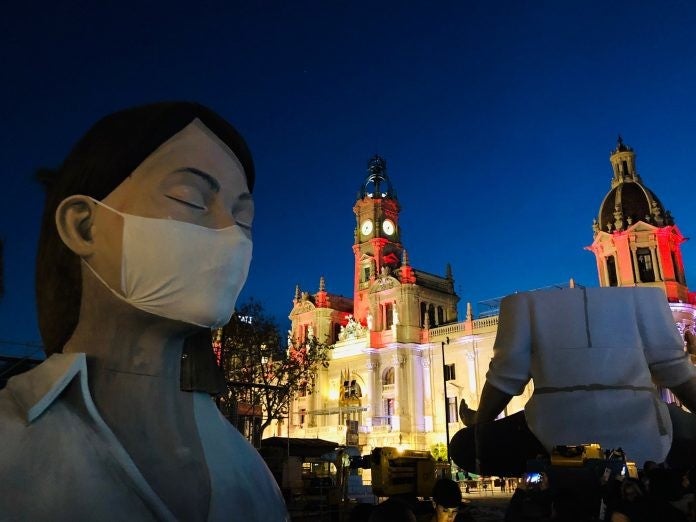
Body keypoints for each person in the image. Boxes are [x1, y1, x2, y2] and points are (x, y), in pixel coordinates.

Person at [0, 102, 288, 520]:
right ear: (83, 226)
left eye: (243, 218)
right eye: (190, 198)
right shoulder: (9, 442)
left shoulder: (251, 473)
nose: (231, 235)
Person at [450, 287, 696, 476]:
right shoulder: (647, 299)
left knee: (462, 446)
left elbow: (505, 379)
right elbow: (677, 373)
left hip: (552, 434)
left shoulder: (520, 305)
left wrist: (480, 421)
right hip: (648, 432)